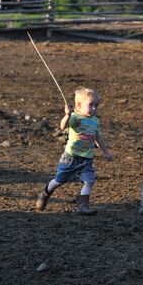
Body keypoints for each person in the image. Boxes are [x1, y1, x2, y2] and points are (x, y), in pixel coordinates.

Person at [36, 87, 113, 215]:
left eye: (96, 105)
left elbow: (98, 138)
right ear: (79, 105)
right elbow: (62, 126)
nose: (94, 108)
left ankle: (83, 205)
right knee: (59, 181)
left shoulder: (95, 121)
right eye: (91, 105)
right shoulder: (75, 118)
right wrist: (67, 115)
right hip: (70, 158)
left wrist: (105, 152)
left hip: (86, 158)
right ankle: (45, 194)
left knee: (89, 181)